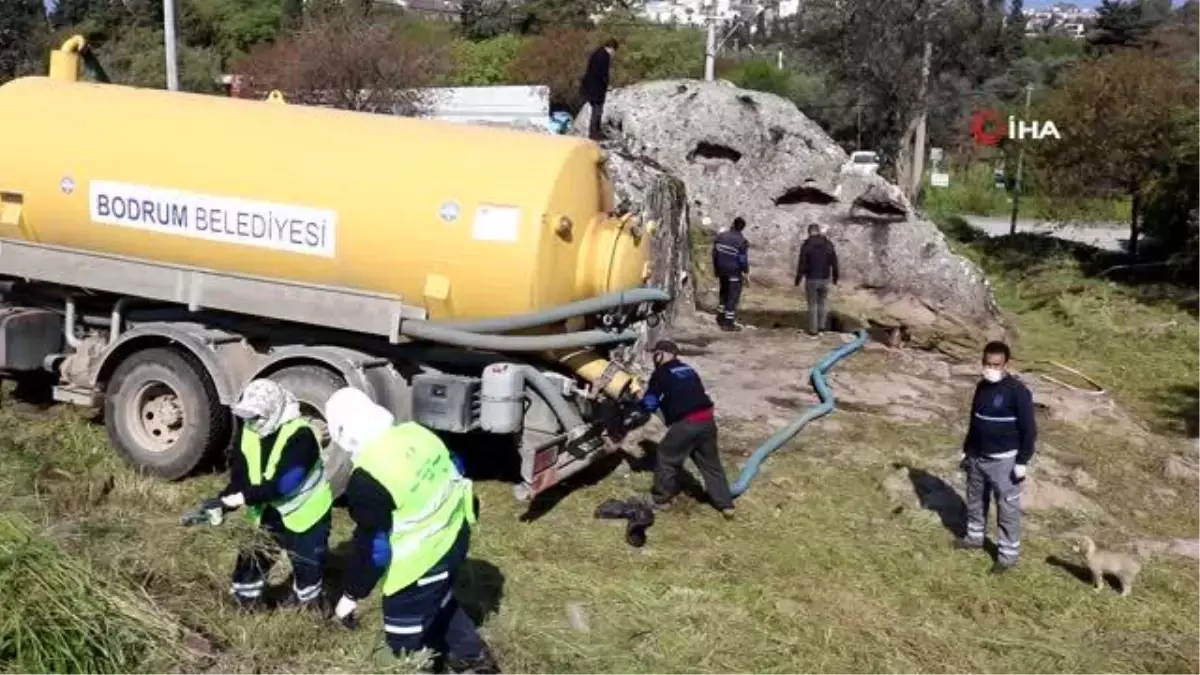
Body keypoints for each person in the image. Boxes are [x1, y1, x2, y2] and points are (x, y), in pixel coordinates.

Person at [324, 387, 499, 674]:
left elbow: (375, 549)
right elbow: (455, 465)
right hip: (455, 536)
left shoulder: (366, 479)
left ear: (343, 433)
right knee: (440, 601)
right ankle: (473, 658)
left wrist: (351, 595)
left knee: (404, 641)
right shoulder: (416, 433)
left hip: (421, 564)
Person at [208, 378, 334, 611]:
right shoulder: (250, 430)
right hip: (268, 508)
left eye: (256, 417)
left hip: (306, 512)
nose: (252, 423)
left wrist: (242, 498)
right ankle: (246, 601)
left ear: (274, 410)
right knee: (253, 555)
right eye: (247, 417)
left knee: (306, 563)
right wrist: (222, 502)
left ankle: (309, 608)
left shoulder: (301, 436)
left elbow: (286, 484)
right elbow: (241, 475)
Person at [956, 341, 1037, 574]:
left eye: (996, 364)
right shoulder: (981, 386)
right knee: (975, 499)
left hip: (1004, 461)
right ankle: (974, 537)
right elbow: (975, 419)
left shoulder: (1017, 392)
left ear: (1006, 364)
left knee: (1007, 508)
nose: (991, 368)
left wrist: (1022, 461)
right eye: (987, 363)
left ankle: (1007, 556)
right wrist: (967, 448)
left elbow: (1029, 430)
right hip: (977, 457)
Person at [639, 340, 735, 518]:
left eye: (655, 354)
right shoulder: (688, 369)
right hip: (707, 420)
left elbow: (650, 402)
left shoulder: (661, 373)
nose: (654, 358)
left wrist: (640, 404)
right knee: (710, 463)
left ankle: (660, 499)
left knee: (666, 457)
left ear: (660, 354)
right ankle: (726, 503)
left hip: (687, 423)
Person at [794, 223, 839, 337]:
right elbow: (834, 261)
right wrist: (835, 277)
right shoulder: (828, 244)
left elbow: (802, 264)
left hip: (812, 278)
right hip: (825, 278)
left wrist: (798, 279)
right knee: (823, 303)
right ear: (818, 231)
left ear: (809, 232)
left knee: (813, 304)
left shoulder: (807, 245)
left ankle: (813, 330)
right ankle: (822, 327)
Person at [712, 217, 750, 331]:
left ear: (732, 224)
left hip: (721, 270)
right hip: (734, 272)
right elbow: (742, 259)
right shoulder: (742, 241)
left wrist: (716, 269)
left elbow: (714, 254)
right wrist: (746, 271)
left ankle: (720, 317)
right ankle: (728, 323)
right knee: (732, 296)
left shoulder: (721, 237)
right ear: (742, 228)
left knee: (723, 293)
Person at [578, 38, 618, 141]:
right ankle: (594, 133)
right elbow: (602, 73)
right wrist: (606, 85)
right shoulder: (604, 56)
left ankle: (597, 132)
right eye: (614, 51)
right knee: (597, 110)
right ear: (611, 48)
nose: (614, 54)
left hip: (591, 87)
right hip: (596, 88)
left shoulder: (598, 53)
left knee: (597, 110)